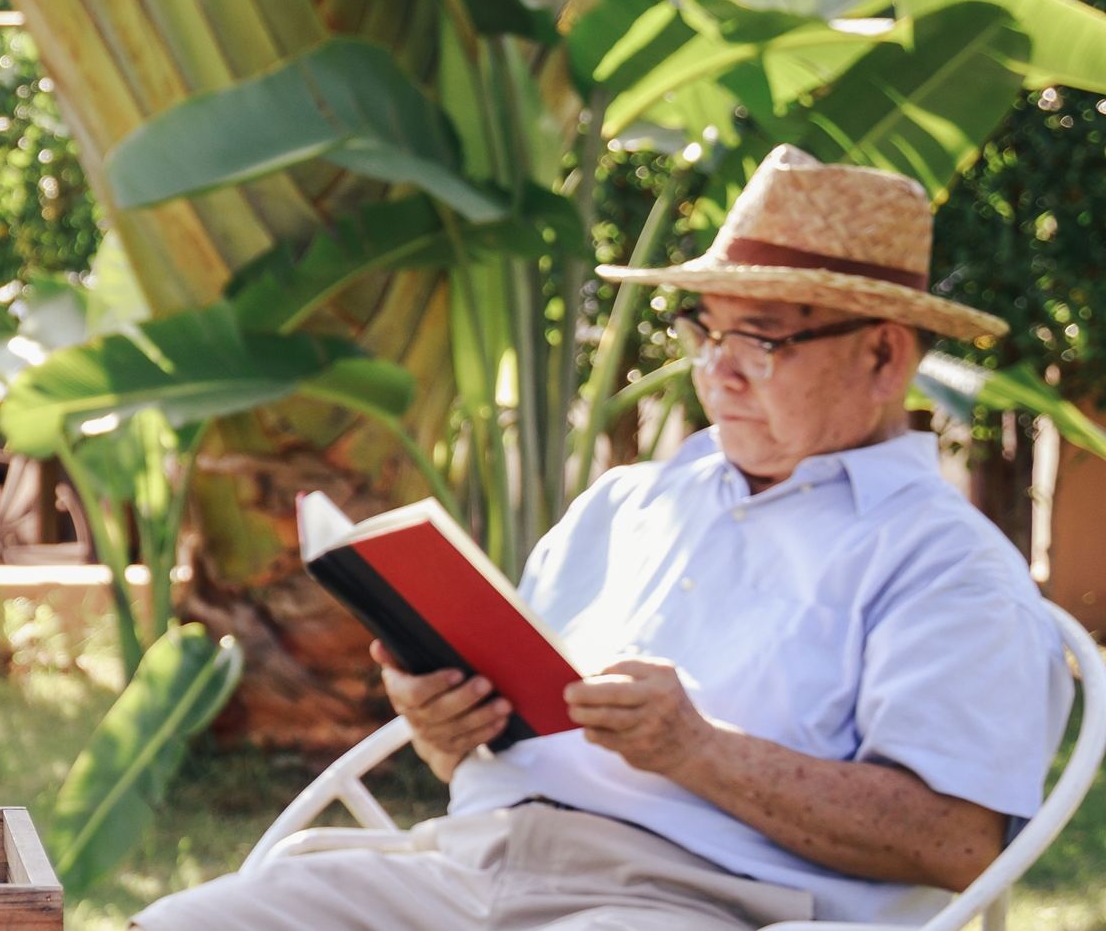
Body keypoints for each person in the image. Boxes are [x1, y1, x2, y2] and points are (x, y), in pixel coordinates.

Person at [138, 147, 1075, 931]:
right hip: (464, 872)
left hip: (691, 904)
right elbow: (505, 744)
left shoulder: (946, 565)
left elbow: (954, 843)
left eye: (761, 341)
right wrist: (444, 726)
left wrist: (700, 751)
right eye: (705, 333)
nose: (719, 374)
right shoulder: (628, 505)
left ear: (883, 357)